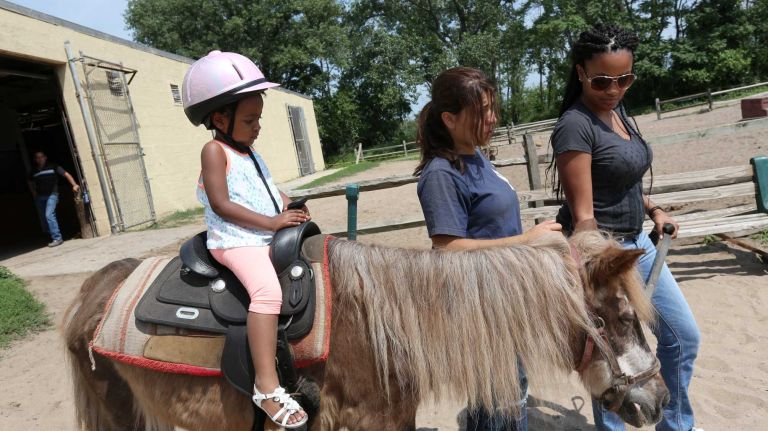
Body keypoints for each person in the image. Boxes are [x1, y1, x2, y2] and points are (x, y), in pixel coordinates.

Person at [549, 24, 702, 431]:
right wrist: (598, 271)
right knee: (612, 349)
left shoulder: (618, 114)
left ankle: (676, 424)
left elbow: (624, 178)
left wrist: (655, 210)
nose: (614, 89)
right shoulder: (574, 126)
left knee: (682, 338)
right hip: (606, 254)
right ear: (580, 71)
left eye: (624, 79)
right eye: (602, 80)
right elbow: (583, 215)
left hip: (638, 243)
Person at [415, 66, 562, 431]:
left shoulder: (476, 158)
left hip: (502, 298)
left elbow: (489, 227)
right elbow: (448, 248)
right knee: (500, 405)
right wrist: (528, 241)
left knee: (509, 398)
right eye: (482, 112)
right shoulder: (442, 174)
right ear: (449, 119)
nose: (493, 119)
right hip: (479, 309)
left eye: (493, 109)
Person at [182, 50, 310, 429]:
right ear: (220, 118)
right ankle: (267, 387)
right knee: (267, 293)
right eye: (250, 119)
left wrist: (292, 207)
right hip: (235, 240)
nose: (257, 126)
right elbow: (221, 204)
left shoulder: (249, 151)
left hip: (259, 232)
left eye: (259, 118)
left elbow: (270, 191)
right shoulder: (214, 151)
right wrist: (273, 224)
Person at [28, 150, 80, 247]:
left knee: (49, 215)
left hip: (52, 194)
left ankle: (57, 238)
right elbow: (30, 181)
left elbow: (66, 174)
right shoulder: (34, 171)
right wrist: (33, 192)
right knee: (44, 218)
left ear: (45, 157)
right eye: (37, 157)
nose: (40, 159)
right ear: (35, 159)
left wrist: (74, 185)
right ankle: (52, 234)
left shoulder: (53, 166)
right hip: (40, 197)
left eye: (41, 157)